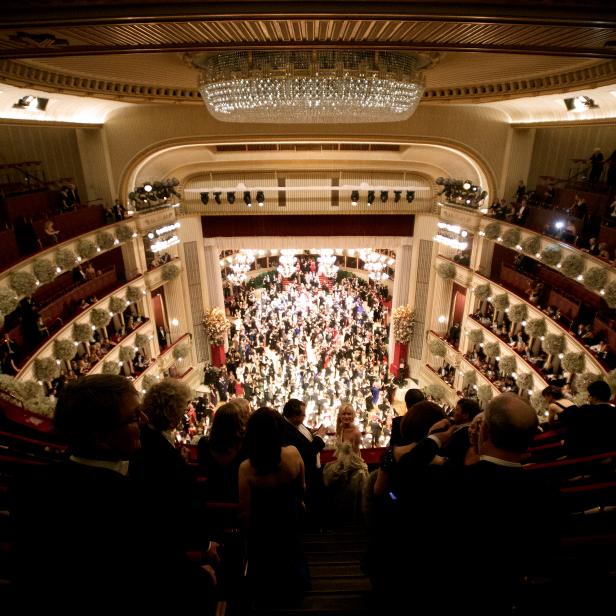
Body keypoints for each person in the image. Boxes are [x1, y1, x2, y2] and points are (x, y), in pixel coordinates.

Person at [11, 374, 216, 613]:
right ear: (101, 438)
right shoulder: (133, 505)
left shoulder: (30, 486)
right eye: (133, 417)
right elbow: (156, 574)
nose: (144, 420)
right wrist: (202, 576)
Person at [239, 407, 309, 605]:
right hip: (289, 517)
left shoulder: (246, 467)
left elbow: (245, 511)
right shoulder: (294, 454)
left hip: (262, 526)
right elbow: (302, 487)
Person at [282, 398, 326, 529]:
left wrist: (311, 433)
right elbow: (306, 454)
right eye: (303, 415)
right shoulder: (285, 431)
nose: (305, 417)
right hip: (305, 475)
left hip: (313, 473)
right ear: (294, 416)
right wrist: (319, 437)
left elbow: (302, 436)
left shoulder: (295, 424)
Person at [197, 400, 247, 502]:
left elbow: (203, 470)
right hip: (236, 497)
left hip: (210, 496)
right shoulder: (245, 446)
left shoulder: (204, 444)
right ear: (238, 423)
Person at [559, 380, 616, 456]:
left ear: (594, 397)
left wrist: (565, 443)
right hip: (611, 453)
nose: (589, 398)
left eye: (589, 395)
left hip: (589, 455)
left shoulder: (585, 410)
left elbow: (574, 431)